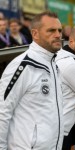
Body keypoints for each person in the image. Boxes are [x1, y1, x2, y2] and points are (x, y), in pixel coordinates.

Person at [0, 11, 64, 150]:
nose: (58, 35)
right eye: (51, 30)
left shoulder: (53, 64)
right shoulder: (22, 66)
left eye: (59, 30)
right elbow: (2, 112)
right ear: (35, 34)